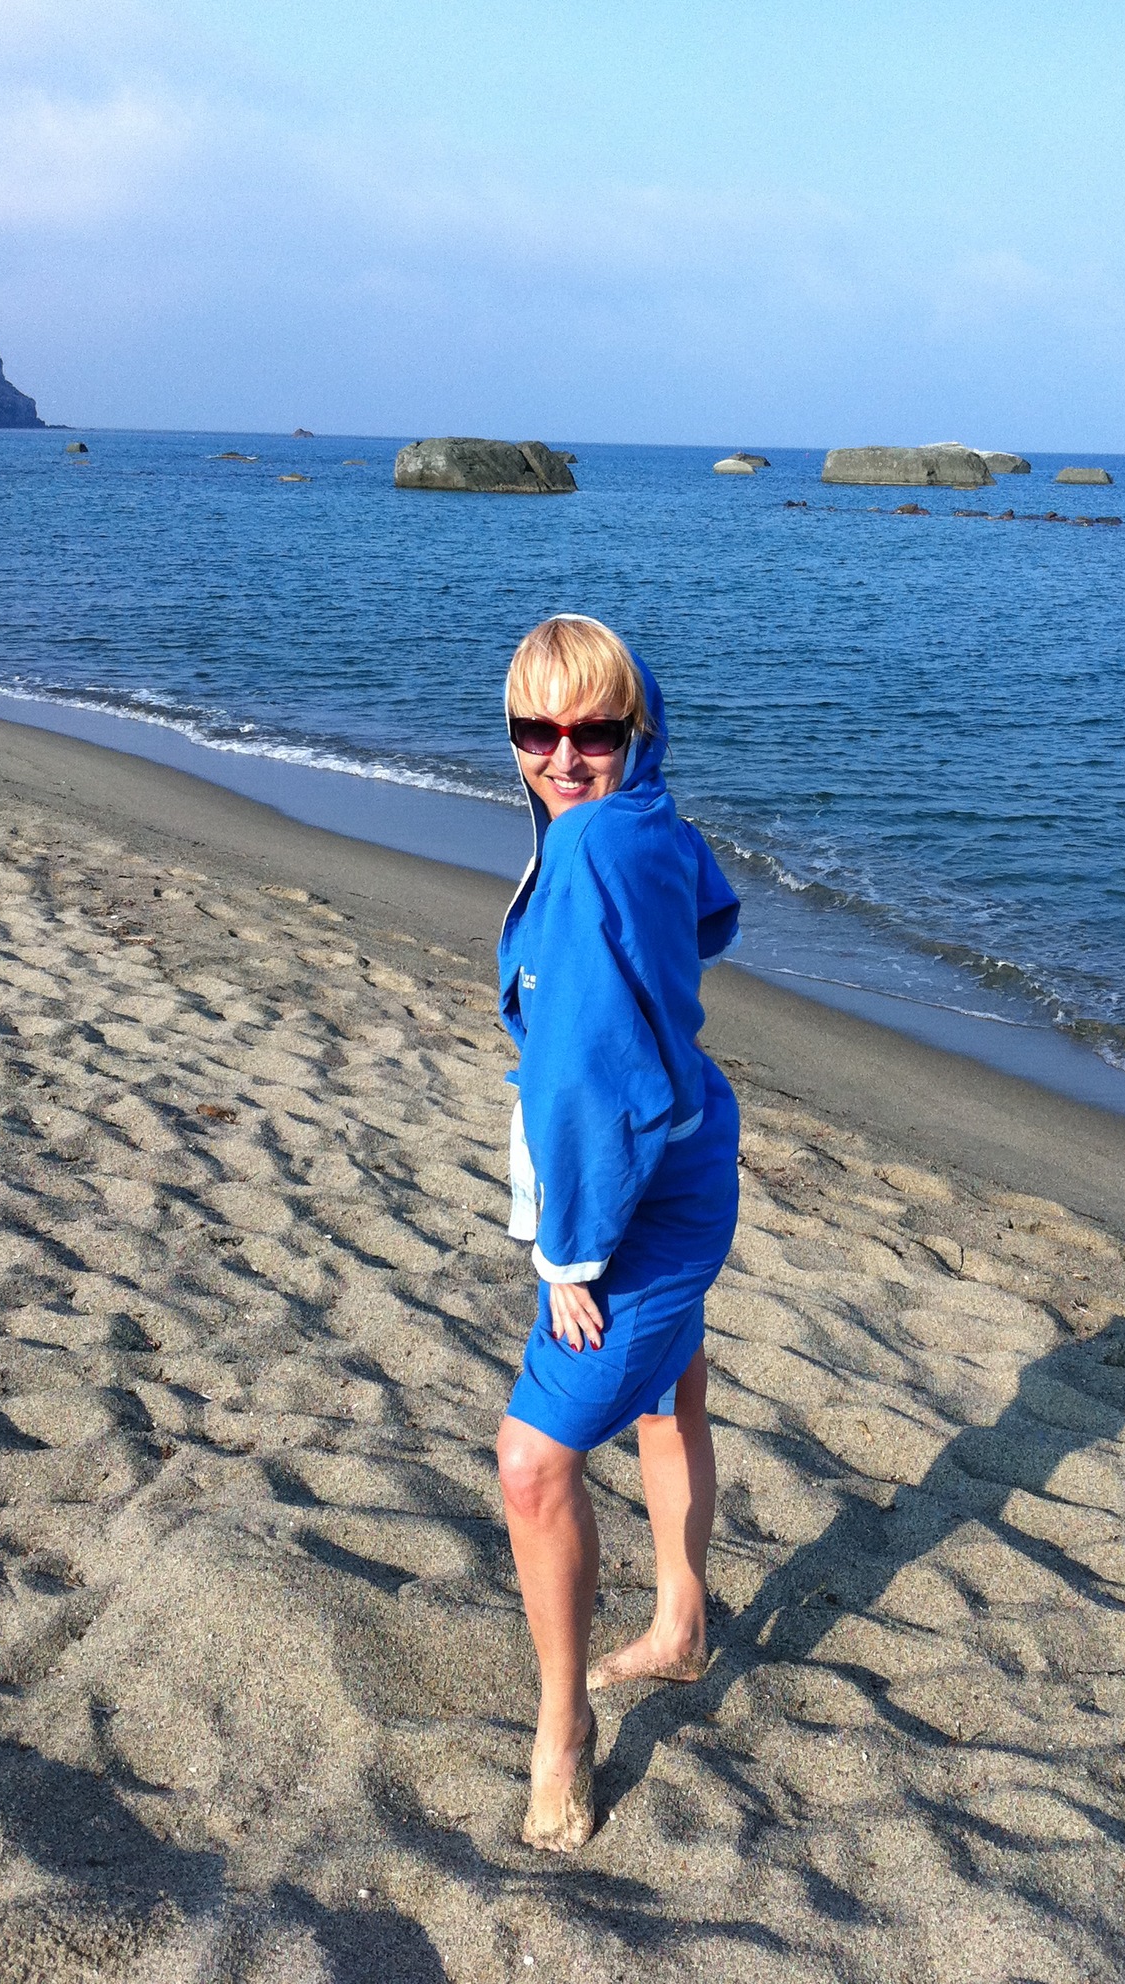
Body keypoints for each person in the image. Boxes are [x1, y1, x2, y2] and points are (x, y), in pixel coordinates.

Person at [495, 615, 741, 1852]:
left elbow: (592, 1078)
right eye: (536, 728)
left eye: (594, 729)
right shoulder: (646, 817)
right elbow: (713, 915)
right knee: (667, 1393)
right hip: (689, 1146)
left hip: (636, 1191)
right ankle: (681, 1622)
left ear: (634, 727)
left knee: (534, 1461)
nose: (564, 754)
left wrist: (570, 1254)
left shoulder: (593, 842)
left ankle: (563, 1731)